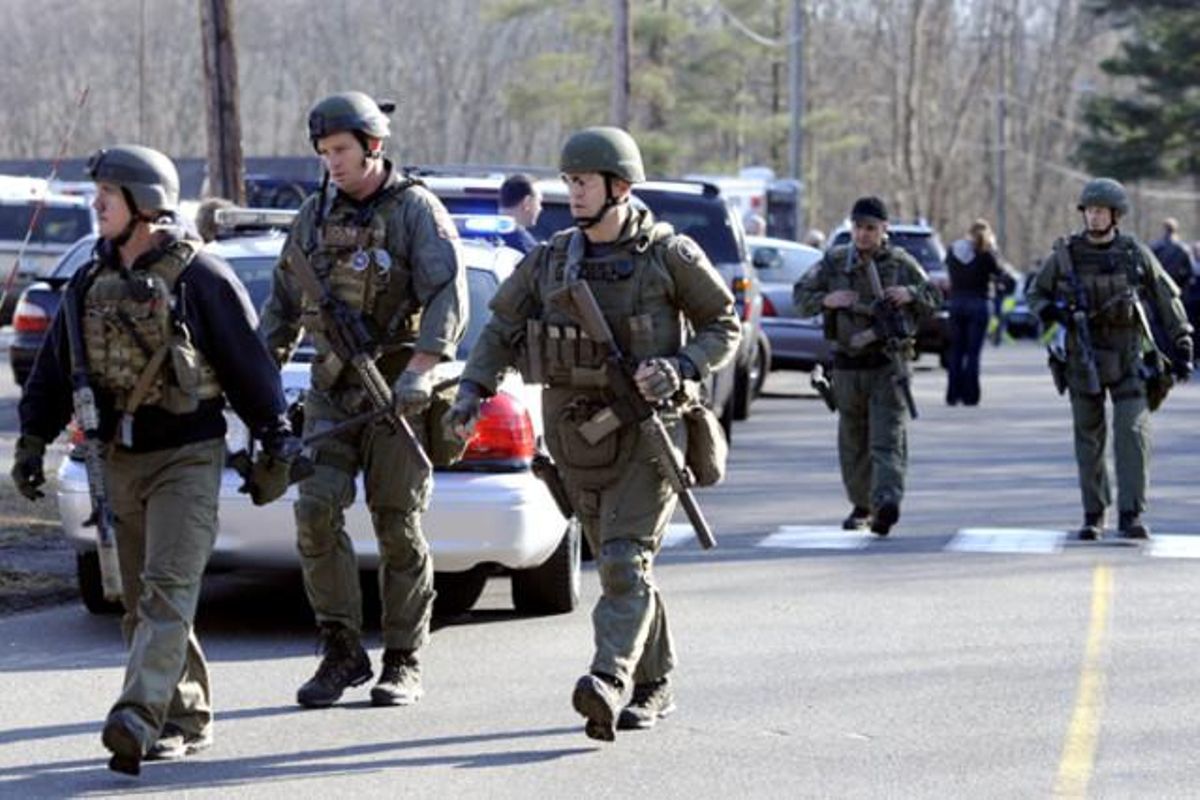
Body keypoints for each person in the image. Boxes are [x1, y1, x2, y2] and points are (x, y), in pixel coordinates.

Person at [11, 145, 299, 774]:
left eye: (105, 198)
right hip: (116, 460)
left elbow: (251, 369)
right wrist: (31, 441)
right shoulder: (89, 281)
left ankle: (136, 716)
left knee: (168, 592)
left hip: (187, 460)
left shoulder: (203, 278)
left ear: (144, 205)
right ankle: (185, 715)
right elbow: (56, 371)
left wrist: (275, 438)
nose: (96, 208)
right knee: (142, 603)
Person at [446, 126, 739, 741]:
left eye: (583, 182)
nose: (573, 193)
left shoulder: (669, 255)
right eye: (570, 182)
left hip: (649, 433)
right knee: (621, 565)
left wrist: (681, 366)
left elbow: (723, 323)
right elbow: (501, 326)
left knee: (623, 562)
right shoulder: (552, 258)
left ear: (619, 187)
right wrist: (472, 390)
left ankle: (605, 679)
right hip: (577, 439)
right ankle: (656, 682)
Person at [260, 92, 467, 709]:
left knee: (397, 524)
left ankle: (403, 658)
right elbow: (280, 308)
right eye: (324, 153)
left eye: (342, 150)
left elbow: (447, 296)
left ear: (374, 147)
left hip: (398, 393)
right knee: (315, 512)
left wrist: (423, 370)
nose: (332, 163)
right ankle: (340, 651)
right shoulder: (311, 216)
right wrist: (255, 381)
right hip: (332, 390)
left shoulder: (414, 212)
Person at [1027, 178, 1192, 541]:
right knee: (1088, 436)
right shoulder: (1066, 255)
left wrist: (1182, 338)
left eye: (1101, 210)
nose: (1094, 216)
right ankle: (1094, 512)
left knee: (1132, 434)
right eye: (1089, 210)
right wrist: (1053, 310)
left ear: (1115, 215)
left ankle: (1131, 512)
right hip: (1082, 358)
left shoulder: (1133, 253)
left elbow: (1165, 294)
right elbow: (1035, 293)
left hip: (1128, 354)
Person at [793, 196, 941, 536]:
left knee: (887, 439)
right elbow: (800, 296)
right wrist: (827, 300)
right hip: (846, 367)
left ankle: (886, 502)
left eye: (870, 228)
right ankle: (862, 505)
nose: (863, 235)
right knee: (853, 441)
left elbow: (935, 297)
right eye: (858, 227)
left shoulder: (901, 263)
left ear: (883, 229)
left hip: (888, 366)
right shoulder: (833, 263)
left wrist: (911, 294)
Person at [944, 218, 1016, 405]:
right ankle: (970, 396)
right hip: (979, 304)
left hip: (957, 303)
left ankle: (952, 394)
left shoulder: (954, 250)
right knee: (973, 353)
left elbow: (948, 272)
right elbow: (1006, 278)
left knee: (956, 351)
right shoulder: (986, 253)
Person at [498, 172, 543, 254]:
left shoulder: (477, 238)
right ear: (527, 202)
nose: (540, 208)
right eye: (539, 202)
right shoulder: (528, 250)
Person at [1150, 217, 1195, 299]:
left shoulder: (1156, 247)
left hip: (1159, 286)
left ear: (1164, 229)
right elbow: (1191, 271)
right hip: (1177, 286)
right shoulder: (1184, 248)